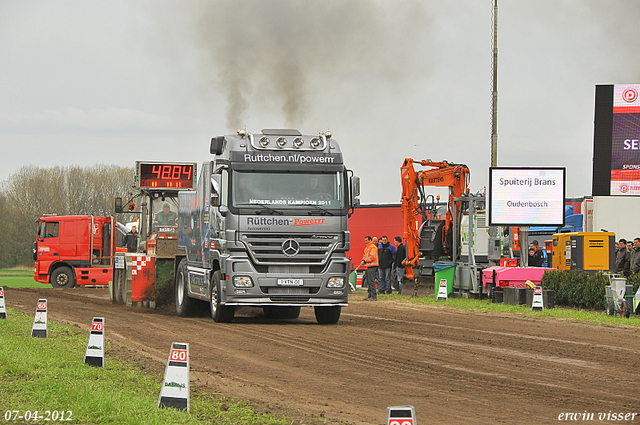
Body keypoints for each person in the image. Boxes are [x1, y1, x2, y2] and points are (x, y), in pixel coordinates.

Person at [359, 236, 379, 301]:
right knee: (368, 282)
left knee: (371, 281)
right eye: (365, 240)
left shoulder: (373, 247)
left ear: (370, 240)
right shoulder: (367, 248)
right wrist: (363, 260)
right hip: (368, 267)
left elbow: (372, 257)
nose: (365, 242)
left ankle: (373, 296)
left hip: (372, 266)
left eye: (366, 240)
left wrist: (365, 261)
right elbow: (364, 256)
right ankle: (370, 295)